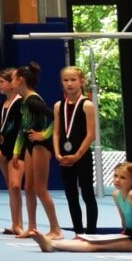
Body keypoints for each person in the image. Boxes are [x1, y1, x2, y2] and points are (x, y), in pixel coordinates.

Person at [32, 163, 132, 253]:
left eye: (123, 178)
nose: (117, 180)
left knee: (97, 245)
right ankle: (51, 243)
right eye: (116, 176)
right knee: (86, 239)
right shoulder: (116, 194)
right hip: (129, 234)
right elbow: (124, 223)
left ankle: (51, 244)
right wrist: (120, 236)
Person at [14, 62, 62, 240]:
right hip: (29, 145)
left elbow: (57, 116)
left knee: (40, 188)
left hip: (41, 146)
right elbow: (23, 127)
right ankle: (32, 227)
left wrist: (45, 134)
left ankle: (56, 229)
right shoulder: (24, 101)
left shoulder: (34, 100)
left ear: (20, 80)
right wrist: (16, 152)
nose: (12, 82)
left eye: (12, 79)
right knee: (29, 187)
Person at [54, 66, 98, 237]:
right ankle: (78, 232)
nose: (69, 84)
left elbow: (91, 134)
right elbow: (57, 133)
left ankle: (92, 233)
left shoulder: (87, 105)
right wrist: (58, 153)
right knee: (71, 196)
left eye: (73, 80)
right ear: (62, 82)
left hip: (82, 156)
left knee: (87, 194)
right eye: (66, 80)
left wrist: (77, 155)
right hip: (65, 157)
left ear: (81, 81)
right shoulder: (59, 106)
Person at [0, 68, 25, 236]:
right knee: (11, 188)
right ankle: (16, 223)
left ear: (13, 84)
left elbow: (20, 129)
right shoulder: (2, 105)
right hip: (3, 151)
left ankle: (19, 224)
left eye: (2, 82)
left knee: (15, 186)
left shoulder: (21, 103)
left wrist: (15, 151)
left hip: (17, 151)